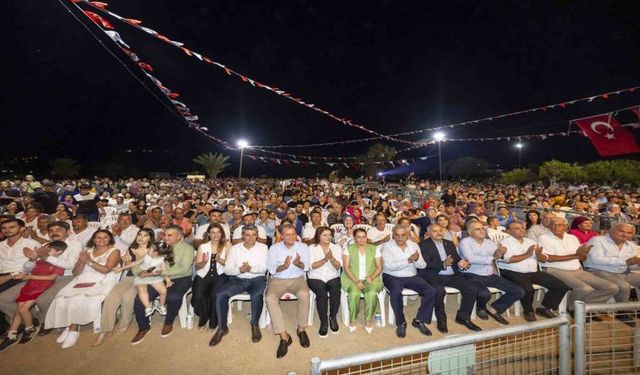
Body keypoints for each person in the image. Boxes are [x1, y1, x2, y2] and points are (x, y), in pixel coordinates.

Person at [0, 220, 83, 337]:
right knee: (3, 299)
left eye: (58, 230)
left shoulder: (75, 244)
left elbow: (70, 265)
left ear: (68, 232)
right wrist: (32, 260)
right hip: (37, 277)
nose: (54, 233)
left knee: (43, 299)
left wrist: (46, 256)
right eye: (51, 231)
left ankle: (45, 320)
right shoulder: (44, 246)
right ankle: (28, 318)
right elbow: (28, 268)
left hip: (63, 277)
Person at [44, 230, 121, 349]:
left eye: (105, 237)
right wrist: (81, 262)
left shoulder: (114, 251)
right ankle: (69, 325)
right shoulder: (87, 252)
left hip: (103, 279)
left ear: (110, 239)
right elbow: (76, 273)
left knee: (79, 298)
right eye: (98, 237)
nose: (102, 240)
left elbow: (106, 270)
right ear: (94, 240)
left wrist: (89, 261)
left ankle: (73, 329)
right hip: (83, 279)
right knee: (62, 297)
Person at [539, 217, 618, 316]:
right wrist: (575, 255)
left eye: (560, 225)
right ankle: (573, 309)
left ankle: (586, 308)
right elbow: (549, 258)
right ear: (549, 226)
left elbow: (581, 259)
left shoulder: (572, 238)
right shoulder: (544, 238)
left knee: (611, 287)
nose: (555, 227)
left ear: (566, 227)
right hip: (555, 269)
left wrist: (584, 253)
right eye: (553, 224)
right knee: (584, 288)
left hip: (577, 269)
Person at [131, 225, 194, 344]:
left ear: (179, 236)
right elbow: (138, 263)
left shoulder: (187, 249)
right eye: (165, 235)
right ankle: (143, 327)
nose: (166, 237)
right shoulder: (158, 246)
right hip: (157, 277)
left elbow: (184, 269)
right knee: (140, 299)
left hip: (180, 277)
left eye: (170, 235)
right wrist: (139, 272)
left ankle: (169, 321)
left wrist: (162, 272)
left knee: (173, 297)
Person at [0, 241, 67, 351]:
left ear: (58, 252)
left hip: (40, 287)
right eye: (43, 249)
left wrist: (31, 276)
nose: (43, 252)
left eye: (48, 250)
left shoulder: (58, 263)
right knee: (19, 309)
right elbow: (29, 269)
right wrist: (27, 272)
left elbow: (51, 278)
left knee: (23, 309)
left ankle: (30, 328)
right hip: (30, 285)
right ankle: (11, 334)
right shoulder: (39, 261)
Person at [93, 228, 154, 346]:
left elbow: (141, 262)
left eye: (145, 235)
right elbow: (128, 265)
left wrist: (123, 267)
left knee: (128, 297)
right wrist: (125, 261)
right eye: (139, 235)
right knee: (112, 296)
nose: (141, 238)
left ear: (150, 238)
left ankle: (124, 323)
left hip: (145, 278)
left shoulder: (153, 249)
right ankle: (104, 330)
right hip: (131, 276)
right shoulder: (131, 249)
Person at [498, 222, 570, 322]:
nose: (522, 230)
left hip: (532, 271)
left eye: (523, 228)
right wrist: (527, 254)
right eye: (517, 228)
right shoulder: (504, 243)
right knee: (528, 289)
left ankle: (544, 308)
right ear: (509, 231)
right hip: (512, 271)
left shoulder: (531, 241)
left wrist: (539, 254)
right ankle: (528, 311)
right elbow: (509, 260)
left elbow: (543, 259)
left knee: (561, 286)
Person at [209, 225, 267, 347]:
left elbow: (264, 268)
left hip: (257, 279)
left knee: (257, 295)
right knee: (220, 295)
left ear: (257, 235)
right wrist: (240, 270)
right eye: (247, 235)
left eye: (253, 235)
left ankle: (254, 324)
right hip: (238, 279)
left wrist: (251, 268)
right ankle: (222, 328)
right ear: (242, 236)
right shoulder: (235, 249)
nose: (251, 238)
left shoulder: (263, 248)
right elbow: (228, 270)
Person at [458, 221, 525, 325]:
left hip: (490, 275)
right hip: (471, 274)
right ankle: (480, 307)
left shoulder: (489, 242)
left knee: (519, 291)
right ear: (469, 232)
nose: (482, 231)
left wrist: (502, 253)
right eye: (478, 229)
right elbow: (470, 258)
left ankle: (494, 308)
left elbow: (499, 256)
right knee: (485, 294)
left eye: (483, 228)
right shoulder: (465, 242)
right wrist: (493, 257)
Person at [419, 224, 482, 333]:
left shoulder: (449, 243)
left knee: (471, 287)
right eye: (435, 231)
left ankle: (463, 317)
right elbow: (425, 264)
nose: (439, 233)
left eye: (440, 230)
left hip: (452, 275)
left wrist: (461, 264)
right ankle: (441, 318)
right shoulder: (423, 245)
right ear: (428, 233)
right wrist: (443, 263)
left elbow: (456, 259)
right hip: (433, 275)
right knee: (439, 291)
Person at [266, 223, 311, 359]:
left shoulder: (303, 247)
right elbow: (271, 268)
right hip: (278, 280)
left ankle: (301, 329)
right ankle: (284, 336)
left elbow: (307, 265)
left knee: (305, 294)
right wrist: (283, 266)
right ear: (281, 235)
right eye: (287, 234)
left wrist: (299, 264)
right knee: (270, 298)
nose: (291, 237)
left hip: (297, 279)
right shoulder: (274, 248)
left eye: (293, 234)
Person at [381, 225, 435, 338]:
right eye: (397, 235)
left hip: (411, 276)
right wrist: (408, 260)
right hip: (392, 276)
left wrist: (416, 260)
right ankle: (401, 322)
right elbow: (390, 266)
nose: (400, 238)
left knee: (431, 291)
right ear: (393, 235)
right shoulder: (387, 246)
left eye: (403, 235)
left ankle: (419, 320)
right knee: (395, 292)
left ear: (407, 235)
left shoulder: (414, 245)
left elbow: (423, 265)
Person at [584, 223, 640, 306]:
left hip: (623, 272)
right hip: (598, 271)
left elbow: (631, 266)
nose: (625, 234)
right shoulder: (597, 240)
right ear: (611, 230)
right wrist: (625, 262)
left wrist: (637, 264)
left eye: (629, 233)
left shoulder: (632, 245)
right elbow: (596, 259)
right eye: (621, 231)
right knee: (624, 286)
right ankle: (621, 311)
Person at [340, 228, 383, 333]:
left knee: (371, 294)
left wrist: (372, 277)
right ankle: (353, 319)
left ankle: (368, 320)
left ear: (366, 237)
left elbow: (379, 267)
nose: (362, 239)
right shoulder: (348, 249)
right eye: (358, 237)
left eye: (364, 237)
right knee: (354, 293)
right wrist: (356, 281)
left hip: (370, 277)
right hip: (351, 277)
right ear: (354, 238)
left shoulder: (374, 248)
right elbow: (346, 267)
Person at [307, 227, 342, 338]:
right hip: (316, 276)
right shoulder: (312, 248)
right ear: (318, 236)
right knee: (321, 293)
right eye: (325, 235)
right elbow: (311, 266)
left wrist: (331, 259)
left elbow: (338, 267)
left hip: (332, 275)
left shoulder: (336, 248)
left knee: (336, 290)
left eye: (329, 235)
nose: (328, 237)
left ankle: (332, 317)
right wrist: (325, 259)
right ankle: (324, 321)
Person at [192, 223, 228, 330]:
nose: (216, 235)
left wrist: (219, 260)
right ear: (208, 234)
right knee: (199, 295)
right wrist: (203, 262)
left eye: (218, 232)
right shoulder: (203, 247)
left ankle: (213, 321)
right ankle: (203, 318)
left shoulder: (227, 246)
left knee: (214, 295)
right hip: (203, 274)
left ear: (221, 233)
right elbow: (197, 267)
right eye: (213, 232)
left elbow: (230, 265)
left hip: (220, 275)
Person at [133, 242, 174, 317]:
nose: (149, 249)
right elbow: (136, 263)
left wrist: (168, 280)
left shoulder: (161, 260)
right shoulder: (146, 256)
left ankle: (161, 306)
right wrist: (122, 268)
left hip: (155, 277)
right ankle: (148, 307)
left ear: (157, 253)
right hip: (142, 276)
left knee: (163, 290)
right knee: (142, 290)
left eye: (151, 249)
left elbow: (164, 271)